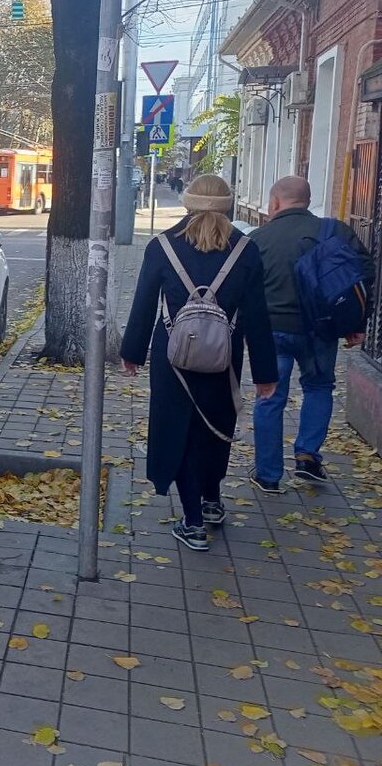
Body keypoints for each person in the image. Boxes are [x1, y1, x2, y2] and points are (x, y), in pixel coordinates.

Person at [120, 174, 278, 551]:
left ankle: (192, 522)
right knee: (216, 428)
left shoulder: (161, 247)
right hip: (225, 356)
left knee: (179, 432)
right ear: (226, 204)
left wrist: (132, 352)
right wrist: (266, 374)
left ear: (188, 203)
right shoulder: (246, 250)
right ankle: (211, 501)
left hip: (172, 358)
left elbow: (143, 305)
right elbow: (257, 315)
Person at [249, 176, 374, 492]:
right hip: (321, 329)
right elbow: (364, 274)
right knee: (319, 387)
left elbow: (244, 288)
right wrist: (356, 323)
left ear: (275, 202)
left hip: (272, 330)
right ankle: (307, 457)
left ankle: (268, 474)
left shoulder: (259, 238)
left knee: (269, 396)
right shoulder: (336, 231)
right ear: (307, 200)